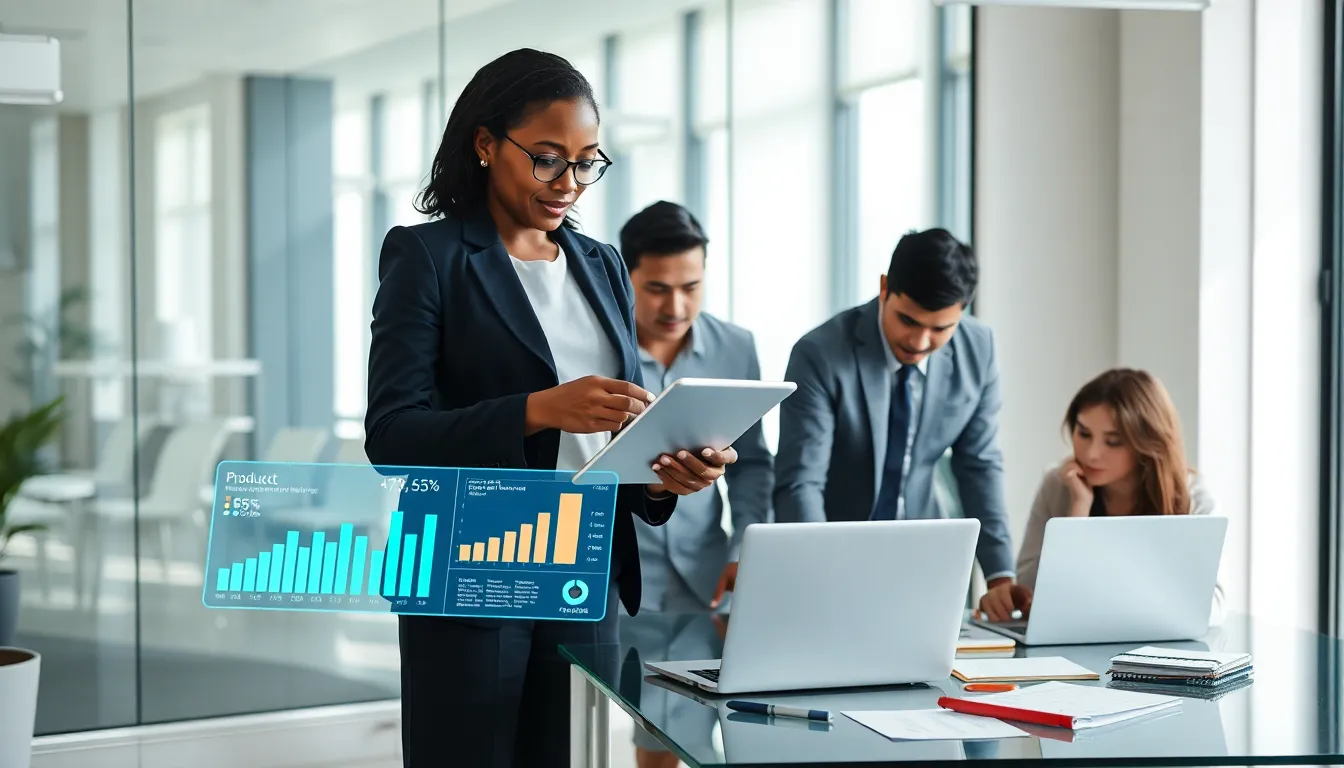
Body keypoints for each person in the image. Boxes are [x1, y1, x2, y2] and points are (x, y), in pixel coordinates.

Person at [363, 49, 738, 767]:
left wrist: (663, 478)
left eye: (586, 161)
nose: (568, 183)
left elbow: (611, 434)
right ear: (484, 144)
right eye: (546, 158)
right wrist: (536, 409)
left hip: (584, 563)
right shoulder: (428, 256)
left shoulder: (599, 264)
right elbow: (392, 434)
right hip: (472, 564)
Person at [773, 228, 1019, 619]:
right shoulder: (819, 353)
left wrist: (1001, 574)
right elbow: (802, 480)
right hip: (832, 556)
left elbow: (979, 465)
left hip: (923, 562)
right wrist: (816, 572)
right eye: (909, 320)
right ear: (885, 288)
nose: (921, 342)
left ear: (964, 309)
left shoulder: (980, 348)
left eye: (941, 329)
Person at [618, 201, 773, 768]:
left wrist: (745, 548)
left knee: (675, 732)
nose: (675, 306)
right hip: (614, 571)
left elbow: (754, 464)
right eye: (656, 288)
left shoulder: (736, 347)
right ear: (626, 275)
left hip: (703, 575)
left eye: (691, 285)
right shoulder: (597, 349)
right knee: (594, 715)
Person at [1012, 368, 1225, 623]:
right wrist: (1079, 509)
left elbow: (1212, 604)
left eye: (1113, 442)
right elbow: (1030, 589)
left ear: (1146, 444)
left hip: (1157, 650)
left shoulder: (1193, 496)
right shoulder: (1059, 485)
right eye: (1083, 433)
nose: (1091, 454)